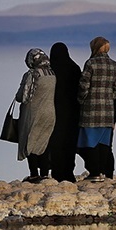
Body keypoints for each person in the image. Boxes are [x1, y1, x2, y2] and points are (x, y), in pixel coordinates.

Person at [77, 36, 116, 182]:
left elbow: (84, 86)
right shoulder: (114, 65)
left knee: (89, 143)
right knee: (104, 144)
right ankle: (106, 173)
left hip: (91, 110)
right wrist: (108, 98)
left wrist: (81, 100)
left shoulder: (90, 63)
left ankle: (94, 172)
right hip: (108, 111)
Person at [14, 48, 56, 182]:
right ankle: (44, 174)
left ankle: (34, 174)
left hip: (33, 113)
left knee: (30, 142)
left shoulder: (32, 74)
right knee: (44, 142)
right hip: (50, 112)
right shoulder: (52, 73)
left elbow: (22, 96)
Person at [48, 42, 81, 182]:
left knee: (55, 142)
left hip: (53, 111)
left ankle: (56, 172)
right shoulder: (74, 68)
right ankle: (69, 171)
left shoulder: (50, 70)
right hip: (72, 112)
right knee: (70, 142)